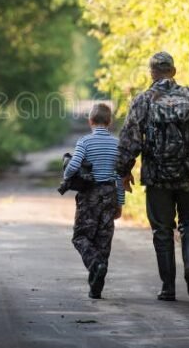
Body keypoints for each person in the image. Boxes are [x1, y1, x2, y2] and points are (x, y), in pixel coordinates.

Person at [117, 51, 189, 301]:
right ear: (173, 71)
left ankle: (168, 288)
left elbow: (130, 138)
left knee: (162, 230)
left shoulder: (144, 100)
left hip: (157, 177)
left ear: (152, 73)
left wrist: (124, 170)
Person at [63, 103, 125, 299]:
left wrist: (66, 175)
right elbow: (120, 176)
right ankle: (95, 288)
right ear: (110, 122)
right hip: (110, 194)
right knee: (103, 241)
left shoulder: (85, 142)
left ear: (90, 121)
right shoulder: (117, 144)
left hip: (90, 195)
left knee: (81, 236)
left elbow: (73, 166)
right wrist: (120, 202)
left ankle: (95, 265)